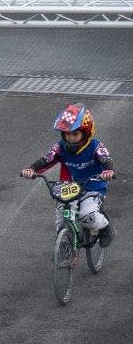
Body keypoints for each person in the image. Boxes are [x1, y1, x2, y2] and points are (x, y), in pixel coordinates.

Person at [21, 103, 116, 247]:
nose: (70, 138)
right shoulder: (61, 146)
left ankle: (106, 228)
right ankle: (65, 245)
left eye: (75, 134)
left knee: (86, 215)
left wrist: (108, 171)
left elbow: (105, 159)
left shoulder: (95, 145)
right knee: (61, 213)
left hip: (94, 187)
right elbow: (47, 159)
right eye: (67, 134)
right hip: (73, 186)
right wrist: (31, 169)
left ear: (86, 132)